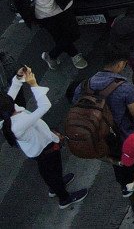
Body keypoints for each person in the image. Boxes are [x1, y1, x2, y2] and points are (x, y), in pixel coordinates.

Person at [2, 65, 88, 208]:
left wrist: (18, 78)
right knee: (53, 170)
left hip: (38, 148)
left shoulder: (6, 115)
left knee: (48, 171)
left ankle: (56, 186)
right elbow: (44, 106)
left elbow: (10, 96)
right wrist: (33, 84)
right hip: (44, 149)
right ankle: (64, 197)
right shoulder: (18, 123)